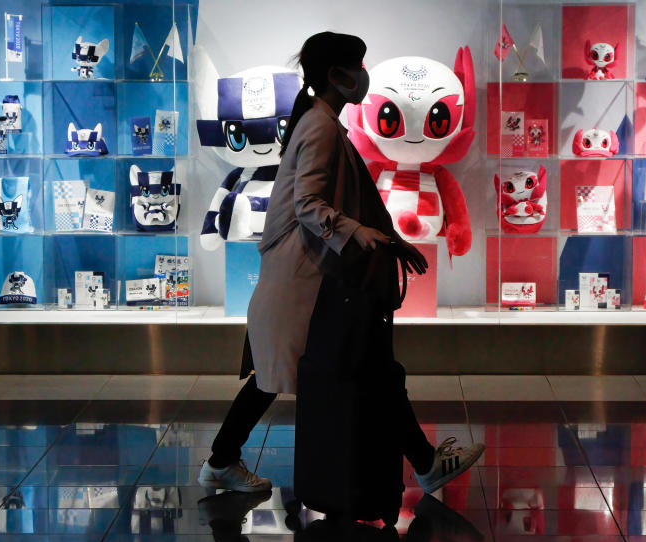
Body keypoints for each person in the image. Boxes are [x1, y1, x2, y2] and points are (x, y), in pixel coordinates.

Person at [198, 31, 484, 495]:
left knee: (297, 375)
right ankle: (424, 465)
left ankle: (224, 460)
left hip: (301, 283)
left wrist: (385, 238)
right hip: (303, 286)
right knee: (359, 369)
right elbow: (309, 203)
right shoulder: (321, 126)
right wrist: (362, 233)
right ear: (337, 75)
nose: (364, 76)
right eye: (359, 65)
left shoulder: (317, 122)